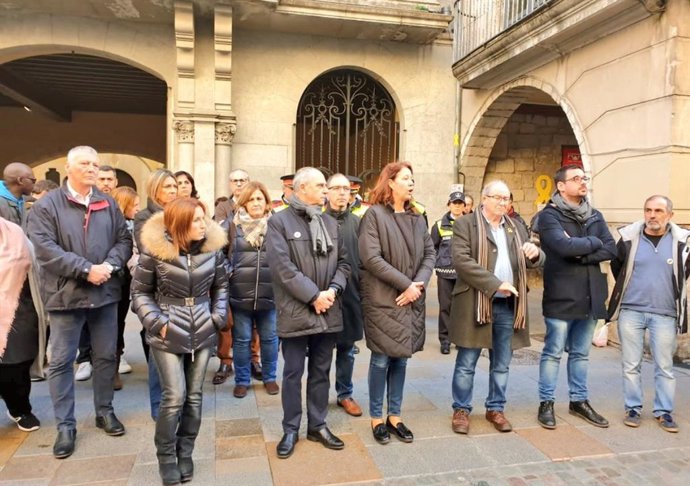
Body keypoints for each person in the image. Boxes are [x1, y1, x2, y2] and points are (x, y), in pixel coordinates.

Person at [27, 145, 132, 459]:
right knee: (60, 362)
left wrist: (110, 267)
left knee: (104, 356)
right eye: (85, 164)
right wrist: (86, 269)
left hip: (105, 294)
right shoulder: (49, 206)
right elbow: (45, 249)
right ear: (68, 168)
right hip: (66, 296)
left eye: (96, 165)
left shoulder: (107, 203)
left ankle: (105, 412)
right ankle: (66, 425)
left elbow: (123, 240)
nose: (92, 169)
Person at [131, 198, 228, 485]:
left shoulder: (213, 251)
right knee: (173, 397)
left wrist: (217, 317)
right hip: (167, 327)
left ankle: (186, 452)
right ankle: (166, 458)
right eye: (197, 219)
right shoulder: (155, 251)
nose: (204, 224)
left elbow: (222, 285)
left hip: (203, 326)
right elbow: (139, 293)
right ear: (179, 223)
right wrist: (157, 323)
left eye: (204, 218)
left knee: (195, 397)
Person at [266, 167, 351, 459]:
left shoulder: (330, 223)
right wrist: (313, 296)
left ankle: (317, 425)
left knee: (320, 372)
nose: (326, 191)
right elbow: (282, 269)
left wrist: (333, 291)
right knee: (292, 373)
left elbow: (344, 263)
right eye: (320, 186)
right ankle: (291, 428)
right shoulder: (279, 222)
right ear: (302, 189)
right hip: (297, 311)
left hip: (328, 309)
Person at [449, 181, 544, 435]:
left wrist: (535, 254)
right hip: (474, 302)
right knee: (467, 361)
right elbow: (462, 262)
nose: (504, 203)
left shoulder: (515, 227)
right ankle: (461, 409)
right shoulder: (465, 224)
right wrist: (494, 284)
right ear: (484, 199)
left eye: (507, 198)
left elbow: (533, 259)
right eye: (498, 198)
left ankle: (496, 408)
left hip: (507, 305)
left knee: (501, 362)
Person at [358, 161, 435, 445]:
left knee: (401, 358)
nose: (411, 183)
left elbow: (430, 254)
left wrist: (419, 284)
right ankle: (377, 417)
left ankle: (395, 415)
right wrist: (407, 285)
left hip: (411, 297)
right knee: (381, 358)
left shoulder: (417, 217)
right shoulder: (374, 216)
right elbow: (371, 259)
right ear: (390, 182)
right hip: (383, 298)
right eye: (406, 178)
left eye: (413, 179)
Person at [537, 164, 616, 430]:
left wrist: (580, 250)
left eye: (584, 178)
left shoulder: (594, 215)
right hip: (561, 296)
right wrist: (594, 244)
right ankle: (546, 403)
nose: (583, 182)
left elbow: (611, 249)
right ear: (561, 186)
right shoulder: (549, 216)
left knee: (581, 354)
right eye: (576, 178)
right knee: (552, 353)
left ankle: (578, 401)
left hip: (591, 295)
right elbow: (562, 246)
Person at [608, 195, 689, 432]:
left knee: (664, 366)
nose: (652, 215)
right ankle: (632, 408)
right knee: (630, 364)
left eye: (658, 210)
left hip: (665, 313)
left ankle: (664, 412)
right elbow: (618, 267)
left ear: (670, 215)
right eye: (648, 210)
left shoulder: (682, 242)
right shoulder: (628, 239)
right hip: (631, 311)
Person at [227, 181, 279, 398]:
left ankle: (270, 377)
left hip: (270, 294)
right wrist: (231, 271)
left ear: (266, 202)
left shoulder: (277, 225)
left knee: (269, 338)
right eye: (251, 199)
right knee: (241, 340)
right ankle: (241, 380)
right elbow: (219, 254)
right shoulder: (231, 226)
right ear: (243, 203)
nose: (256, 203)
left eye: (260, 198)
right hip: (240, 294)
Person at [132, 168, 178, 420]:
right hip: (158, 292)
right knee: (157, 351)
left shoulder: (180, 213)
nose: (172, 191)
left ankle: (174, 403)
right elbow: (150, 249)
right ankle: (158, 408)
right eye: (167, 187)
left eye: (175, 186)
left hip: (182, 290)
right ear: (155, 190)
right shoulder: (144, 217)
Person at [212, 168, 262, 386]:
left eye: (243, 180)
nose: (239, 184)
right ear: (229, 184)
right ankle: (225, 360)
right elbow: (219, 236)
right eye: (235, 181)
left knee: (254, 321)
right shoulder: (224, 207)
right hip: (230, 270)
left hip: (254, 272)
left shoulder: (258, 205)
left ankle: (254, 359)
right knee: (226, 320)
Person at [325, 173, 364, 416]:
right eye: (336, 188)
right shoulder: (317, 221)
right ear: (326, 192)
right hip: (325, 294)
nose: (342, 193)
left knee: (347, 349)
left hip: (351, 294)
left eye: (346, 189)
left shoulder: (358, 223)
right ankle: (318, 396)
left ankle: (345, 394)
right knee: (322, 351)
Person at [0, 217, 41, 432]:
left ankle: (20, 409)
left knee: (15, 367)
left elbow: (34, 269)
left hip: (16, 309)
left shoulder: (14, 233)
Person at [109, 186, 141, 390]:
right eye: (134, 205)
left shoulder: (134, 224)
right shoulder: (110, 225)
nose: (138, 209)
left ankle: (116, 360)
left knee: (118, 323)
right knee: (109, 325)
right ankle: (108, 368)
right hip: (109, 280)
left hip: (125, 281)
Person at [431, 190, 466, 355]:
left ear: (464, 206)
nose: (457, 206)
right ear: (449, 204)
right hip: (444, 273)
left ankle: (459, 338)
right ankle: (445, 340)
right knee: (445, 307)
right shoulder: (439, 225)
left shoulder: (469, 224)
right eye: (454, 203)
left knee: (461, 307)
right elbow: (432, 247)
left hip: (463, 274)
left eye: (460, 203)